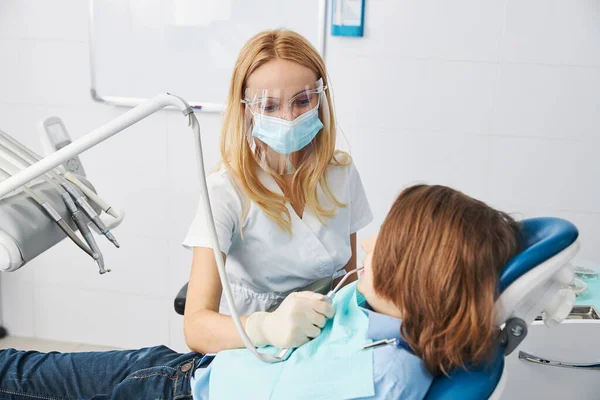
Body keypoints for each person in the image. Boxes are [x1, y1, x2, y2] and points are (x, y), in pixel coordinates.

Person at [0, 184, 521, 400]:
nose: (373, 239)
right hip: (192, 370)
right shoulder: (393, 325)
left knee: (31, 378)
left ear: (417, 282)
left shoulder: (382, 372)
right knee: (36, 374)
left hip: (180, 388)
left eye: (390, 241)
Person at [182, 28, 373, 355]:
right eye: (269, 106)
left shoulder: (341, 173)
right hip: (250, 347)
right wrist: (265, 327)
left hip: (325, 336)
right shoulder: (225, 190)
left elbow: (350, 280)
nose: (288, 118)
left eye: (302, 101)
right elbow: (196, 327)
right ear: (246, 111)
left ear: (320, 98)